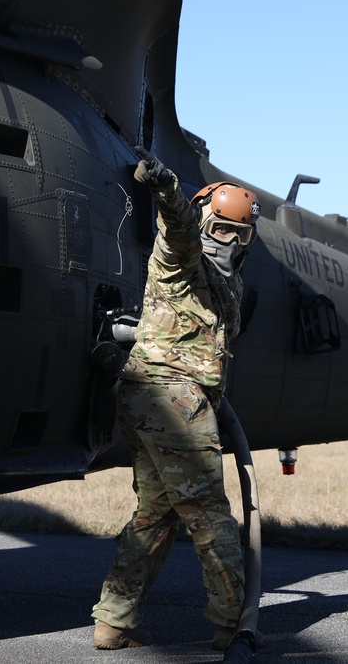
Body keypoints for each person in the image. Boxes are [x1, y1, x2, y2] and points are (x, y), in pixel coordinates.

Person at [91, 146, 261, 651]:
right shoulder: (183, 261)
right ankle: (233, 625)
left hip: (150, 397)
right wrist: (164, 185)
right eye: (223, 228)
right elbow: (180, 225)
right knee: (210, 513)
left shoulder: (220, 282)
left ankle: (114, 621)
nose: (226, 239)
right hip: (173, 402)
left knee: (157, 515)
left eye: (235, 232)